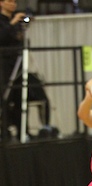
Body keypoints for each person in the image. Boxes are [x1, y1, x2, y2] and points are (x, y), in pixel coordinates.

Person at [0, 0, 49, 138]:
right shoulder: (7, 22)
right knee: (6, 99)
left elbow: (22, 40)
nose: (13, 4)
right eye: (9, 1)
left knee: (22, 98)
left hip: (19, 64)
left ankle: (25, 131)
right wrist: (13, 23)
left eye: (14, 1)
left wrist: (24, 25)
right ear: (1, 3)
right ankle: (5, 131)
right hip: (4, 66)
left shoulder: (17, 22)